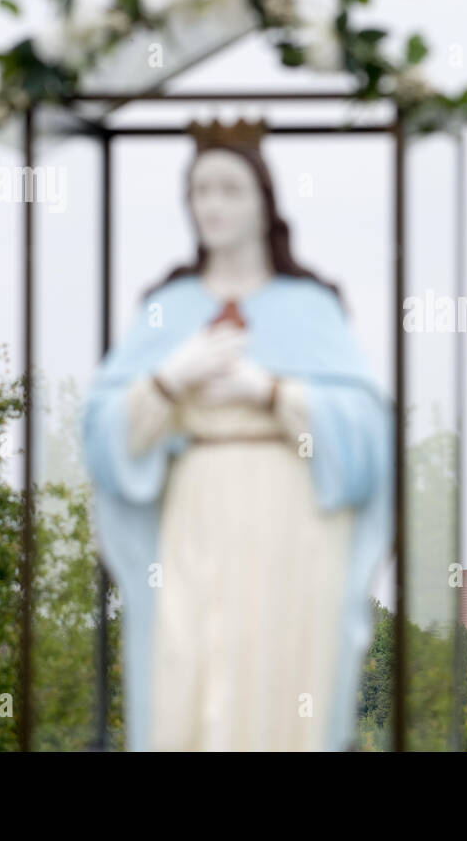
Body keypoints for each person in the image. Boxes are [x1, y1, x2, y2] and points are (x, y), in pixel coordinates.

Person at [82, 120, 391, 751]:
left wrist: (272, 392)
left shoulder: (309, 306)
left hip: (292, 513)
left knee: (280, 666)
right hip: (197, 505)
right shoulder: (166, 308)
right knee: (185, 662)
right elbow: (104, 439)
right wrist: (169, 379)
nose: (213, 206)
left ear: (264, 202)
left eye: (230, 189)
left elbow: (365, 439)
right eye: (200, 191)